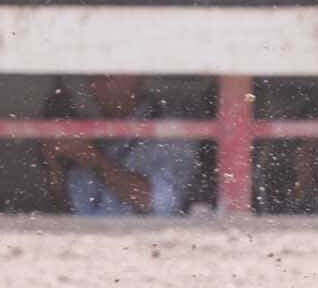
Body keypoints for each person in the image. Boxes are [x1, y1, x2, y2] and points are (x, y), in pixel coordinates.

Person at [39, 76, 202, 216]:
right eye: (92, 78)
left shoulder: (170, 129)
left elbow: (160, 202)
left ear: (134, 77)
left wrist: (95, 160)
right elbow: (66, 214)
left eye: (107, 77)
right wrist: (55, 168)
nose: (96, 86)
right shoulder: (89, 127)